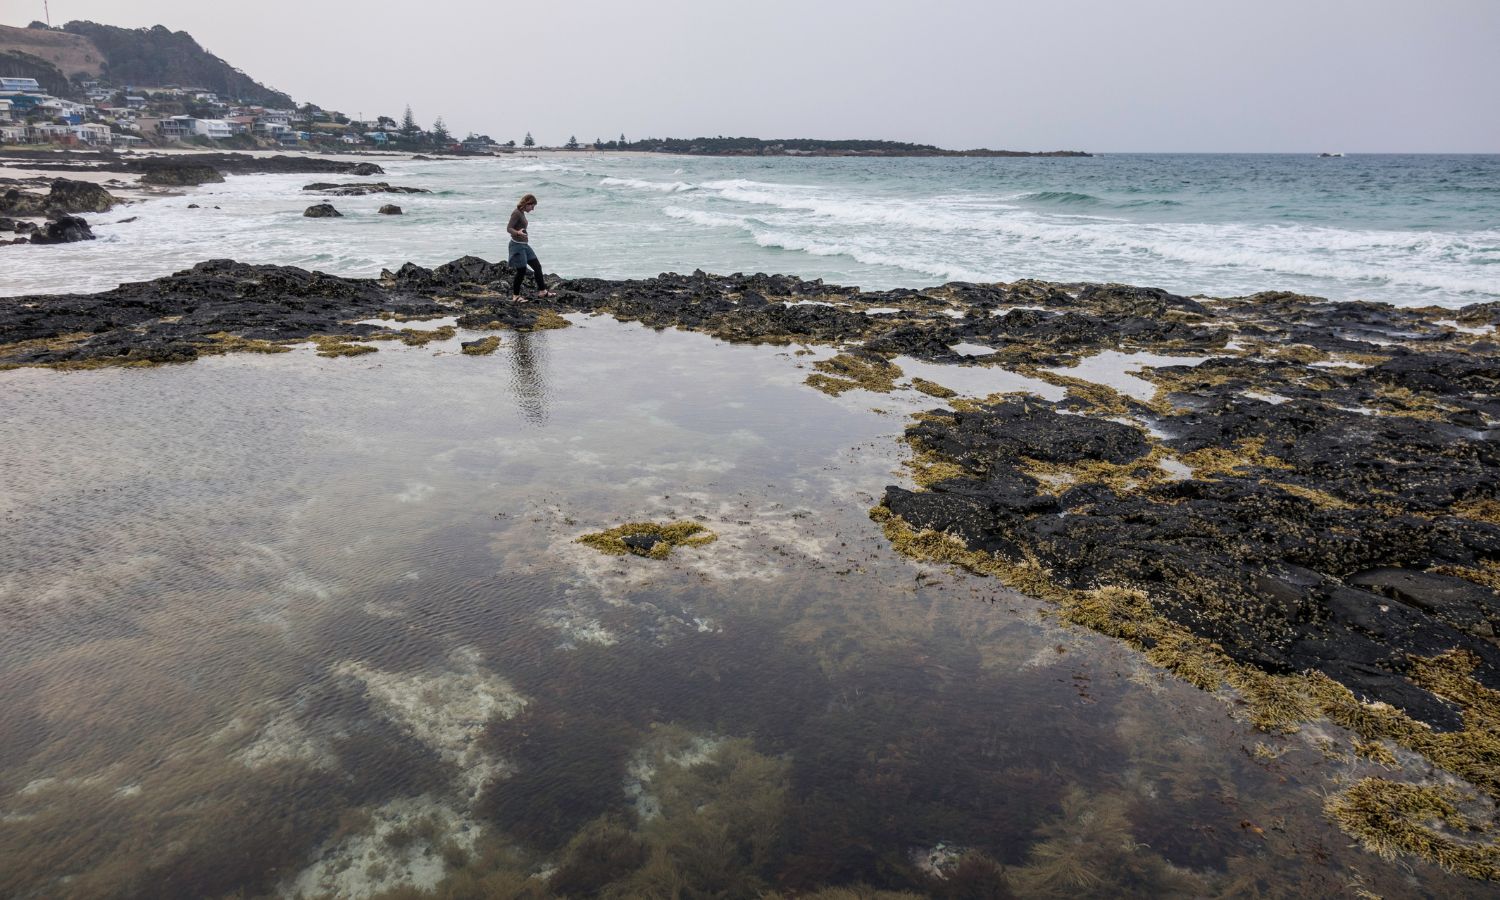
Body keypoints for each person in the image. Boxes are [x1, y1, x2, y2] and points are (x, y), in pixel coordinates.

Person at [507, 193, 553, 299]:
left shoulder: (521, 213)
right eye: (532, 206)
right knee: (521, 271)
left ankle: (542, 291)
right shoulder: (516, 213)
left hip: (525, 246)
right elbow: (509, 228)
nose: (533, 209)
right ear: (527, 203)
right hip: (517, 246)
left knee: (537, 267)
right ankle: (516, 296)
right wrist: (518, 233)